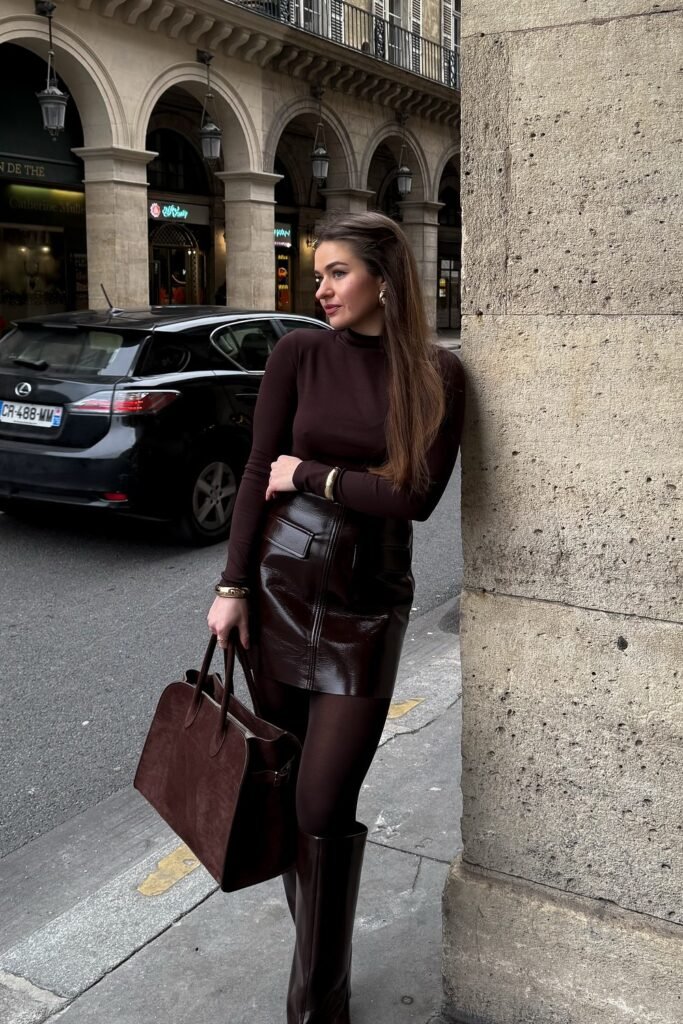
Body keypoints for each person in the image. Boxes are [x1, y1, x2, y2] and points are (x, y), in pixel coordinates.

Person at [207, 211, 465, 1023]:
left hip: (366, 607)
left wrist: (310, 474)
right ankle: (321, 997)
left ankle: (315, 989)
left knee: (324, 804)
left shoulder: (437, 374)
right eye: (316, 273)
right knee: (287, 798)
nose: (317, 288)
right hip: (279, 590)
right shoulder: (298, 352)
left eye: (335, 273)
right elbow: (257, 469)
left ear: (384, 278)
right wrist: (232, 586)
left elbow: (411, 497)